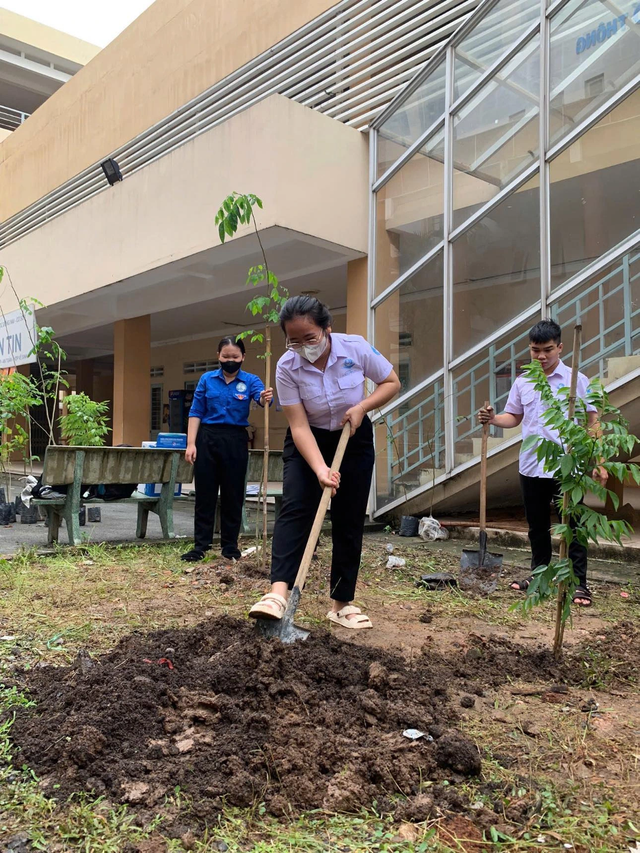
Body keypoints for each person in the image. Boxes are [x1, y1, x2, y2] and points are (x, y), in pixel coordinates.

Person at [249, 296, 401, 629]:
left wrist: (362, 406)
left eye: (310, 338)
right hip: (308, 441)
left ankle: (341, 603)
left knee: (349, 518)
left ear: (327, 329)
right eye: (294, 340)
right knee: (296, 508)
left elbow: (391, 382)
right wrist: (320, 469)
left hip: (353, 436)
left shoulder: (355, 348)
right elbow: (298, 425)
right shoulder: (287, 366)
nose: (303, 346)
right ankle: (278, 594)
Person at [477, 320, 607, 607]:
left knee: (573, 526)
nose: (541, 356)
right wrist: (493, 418)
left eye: (548, 350)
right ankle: (539, 576)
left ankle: (579, 583)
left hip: (568, 466)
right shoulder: (523, 382)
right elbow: (514, 417)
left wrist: (599, 461)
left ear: (560, 347)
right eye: (536, 350)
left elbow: (593, 423)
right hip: (532, 465)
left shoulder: (577, 380)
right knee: (537, 526)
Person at [181, 336, 273, 563]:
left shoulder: (251, 380)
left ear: (243, 357)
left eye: (234, 357)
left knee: (233, 494)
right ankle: (200, 546)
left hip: (236, 440)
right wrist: (191, 443)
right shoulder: (206, 379)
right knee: (205, 494)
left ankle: (230, 546)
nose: (230, 360)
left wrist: (265, 398)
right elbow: (196, 411)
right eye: (225, 356)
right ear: (218, 356)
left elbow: (262, 401)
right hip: (208, 438)